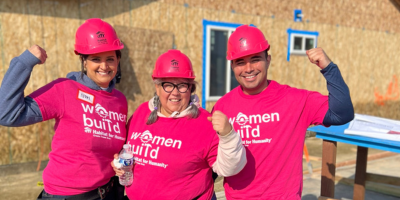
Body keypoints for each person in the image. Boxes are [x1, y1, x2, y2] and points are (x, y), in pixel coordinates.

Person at [212, 25, 354, 199]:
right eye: (240, 62)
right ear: (232, 66)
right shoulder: (222, 107)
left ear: (268, 60)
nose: (248, 68)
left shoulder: (296, 100)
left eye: (255, 59)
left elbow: (342, 114)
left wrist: (329, 68)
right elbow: (212, 159)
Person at [0, 18, 127, 200]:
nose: (104, 66)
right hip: (66, 195)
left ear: (118, 60)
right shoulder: (64, 90)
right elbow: (6, 114)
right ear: (83, 61)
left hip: (107, 192)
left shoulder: (119, 100)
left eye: (110, 59)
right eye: (95, 59)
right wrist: (24, 63)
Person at [111, 49, 247, 200]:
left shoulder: (205, 123)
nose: (175, 92)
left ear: (190, 88)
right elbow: (128, 149)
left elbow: (230, 168)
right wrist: (120, 162)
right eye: (167, 85)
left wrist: (228, 135)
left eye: (182, 85)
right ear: (157, 87)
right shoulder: (142, 112)